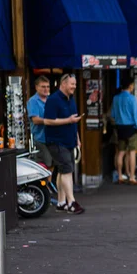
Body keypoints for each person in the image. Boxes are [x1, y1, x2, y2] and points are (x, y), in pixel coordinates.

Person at [43, 73, 84, 214]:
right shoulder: (53, 100)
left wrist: (77, 138)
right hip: (56, 141)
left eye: (75, 84)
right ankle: (71, 202)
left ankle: (61, 203)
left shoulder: (71, 99)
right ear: (64, 84)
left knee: (62, 170)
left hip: (69, 141)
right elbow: (47, 121)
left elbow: (74, 120)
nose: (74, 86)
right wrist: (68, 121)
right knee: (67, 170)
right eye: (72, 84)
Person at [110, 77, 137, 185]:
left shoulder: (115, 98)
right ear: (130, 86)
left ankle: (120, 176)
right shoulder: (132, 99)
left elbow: (113, 114)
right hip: (131, 128)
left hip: (120, 128)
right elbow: (136, 116)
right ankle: (131, 177)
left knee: (121, 153)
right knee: (132, 153)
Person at [27, 76, 53, 168]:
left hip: (53, 138)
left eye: (47, 86)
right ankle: (44, 182)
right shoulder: (33, 101)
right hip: (40, 138)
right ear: (36, 87)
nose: (46, 89)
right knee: (46, 163)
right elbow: (35, 120)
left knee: (55, 163)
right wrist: (51, 121)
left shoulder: (51, 99)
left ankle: (50, 182)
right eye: (43, 86)